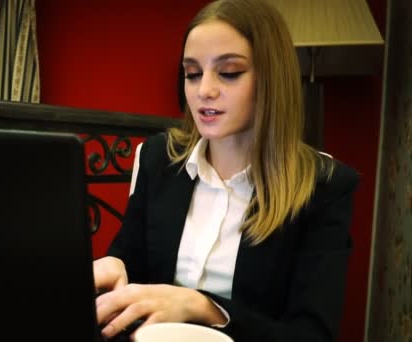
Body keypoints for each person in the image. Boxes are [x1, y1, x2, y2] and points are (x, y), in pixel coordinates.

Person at [92, 0, 359, 341]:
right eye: (192, 73)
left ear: (270, 79)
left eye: (229, 72)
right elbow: (128, 262)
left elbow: (311, 334)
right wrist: (117, 267)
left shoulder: (325, 187)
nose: (204, 90)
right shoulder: (159, 160)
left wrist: (207, 308)